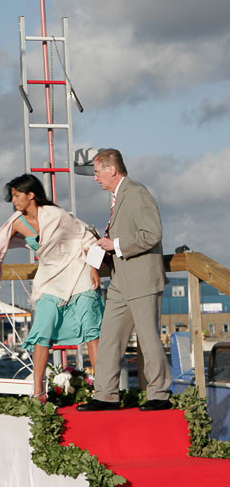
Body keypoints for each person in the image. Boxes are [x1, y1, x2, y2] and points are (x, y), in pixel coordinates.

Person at [0, 174, 102, 403]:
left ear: (31, 195)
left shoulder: (57, 215)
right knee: (41, 332)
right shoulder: (16, 222)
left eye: (17, 195)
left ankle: (103, 391)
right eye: (12, 196)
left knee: (92, 331)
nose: (13, 200)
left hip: (78, 271)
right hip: (49, 278)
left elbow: (88, 237)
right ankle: (38, 392)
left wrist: (94, 268)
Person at [78, 149, 172, 412]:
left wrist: (114, 244)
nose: (95, 178)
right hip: (121, 279)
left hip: (142, 278)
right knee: (108, 337)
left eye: (97, 172)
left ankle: (159, 394)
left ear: (111, 170)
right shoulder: (119, 197)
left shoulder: (136, 192)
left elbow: (152, 233)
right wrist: (107, 248)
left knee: (149, 338)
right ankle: (105, 395)